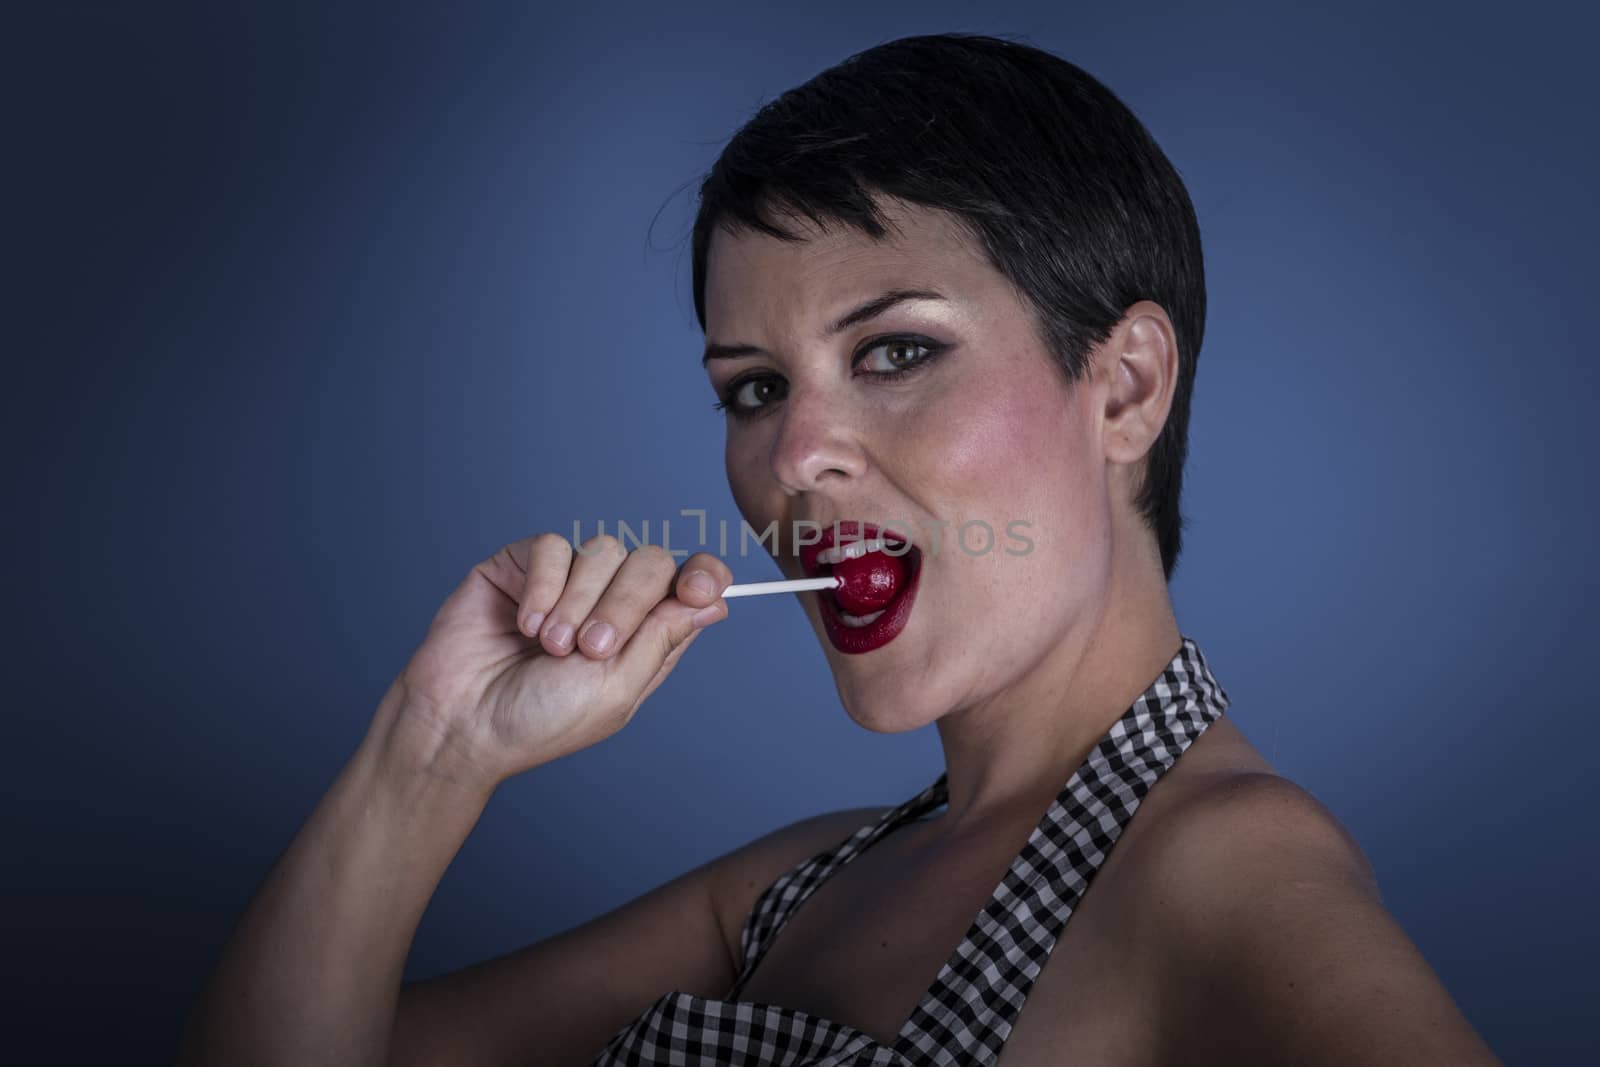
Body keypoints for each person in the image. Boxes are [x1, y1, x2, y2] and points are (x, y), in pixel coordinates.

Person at [176, 32, 1500, 1067]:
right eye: (753, 387)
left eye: (897, 352)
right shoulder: (788, 889)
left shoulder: (1227, 869)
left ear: (1125, 388)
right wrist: (432, 754)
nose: (794, 454)